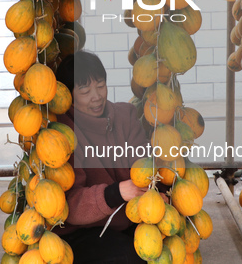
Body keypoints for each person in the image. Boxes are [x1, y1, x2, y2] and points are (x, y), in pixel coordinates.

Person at [53, 50, 168, 264]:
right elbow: (69, 206)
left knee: (164, 251)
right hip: (82, 231)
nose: (96, 96)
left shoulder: (126, 115)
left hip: (132, 217)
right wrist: (115, 193)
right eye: (85, 91)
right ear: (68, 96)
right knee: (128, 258)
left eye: (100, 85)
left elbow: (144, 162)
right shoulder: (63, 134)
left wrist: (157, 193)